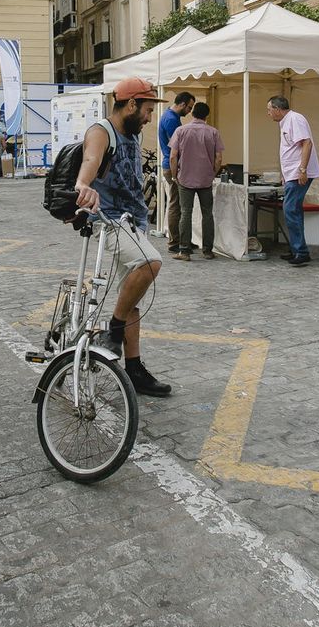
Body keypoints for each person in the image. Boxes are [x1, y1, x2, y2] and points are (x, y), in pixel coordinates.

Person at [74, 77, 171, 397]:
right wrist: (83, 184)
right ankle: (114, 330)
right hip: (110, 221)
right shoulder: (101, 131)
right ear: (131, 105)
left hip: (134, 220)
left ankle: (135, 368)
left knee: (132, 297)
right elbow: (91, 160)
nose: (149, 118)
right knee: (150, 263)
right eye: (147, 110)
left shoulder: (132, 133)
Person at [266, 95, 319, 266]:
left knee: (290, 209)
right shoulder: (286, 121)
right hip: (292, 173)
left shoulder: (294, 119)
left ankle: (300, 251)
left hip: (298, 173)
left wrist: (302, 170)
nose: (268, 113)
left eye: (269, 109)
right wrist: (285, 173)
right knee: (293, 209)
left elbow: (307, 143)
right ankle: (297, 248)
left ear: (277, 109)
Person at [168, 101, 224, 261]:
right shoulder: (213, 132)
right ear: (207, 115)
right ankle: (207, 250)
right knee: (207, 214)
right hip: (205, 179)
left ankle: (184, 251)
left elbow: (173, 156)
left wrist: (174, 175)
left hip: (185, 178)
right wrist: (212, 173)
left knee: (185, 212)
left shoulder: (181, 131)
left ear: (192, 113)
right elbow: (219, 158)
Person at [158, 92, 195, 254]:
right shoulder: (172, 119)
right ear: (182, 104)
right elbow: (177, 148)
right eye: (189, 107)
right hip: (173, 165)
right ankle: (175, 242)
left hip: (171, 164)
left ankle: (180, 239)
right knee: (176, 204)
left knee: (177, 204)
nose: (189, 111)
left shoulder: (169, 115)